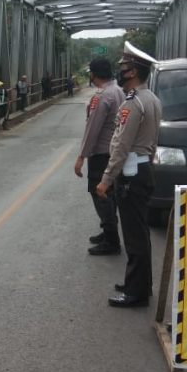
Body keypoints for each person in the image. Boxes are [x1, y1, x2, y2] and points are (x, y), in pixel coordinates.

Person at [95, 42, 162, 307]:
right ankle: (139, 283)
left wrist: (106, 180)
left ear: (133, 71)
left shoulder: (132, 104)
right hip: (144, 168)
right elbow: (154, 140)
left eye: (123, 68)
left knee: (134, 235)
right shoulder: (152, 99)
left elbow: (121, 146)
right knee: (140, 231)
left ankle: (136, 293)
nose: (120, 72)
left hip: (131, 174)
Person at [74, 58, 124, 256]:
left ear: (93, 74)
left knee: (100, 194)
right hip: (113, 152)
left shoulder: (102, 96)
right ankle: (108, 232)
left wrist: (81, 156)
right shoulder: (118, 91)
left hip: (101, 153)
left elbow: (92, 129)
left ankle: (111, 240)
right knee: (109, 194)